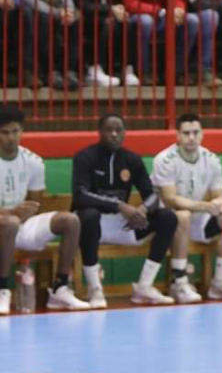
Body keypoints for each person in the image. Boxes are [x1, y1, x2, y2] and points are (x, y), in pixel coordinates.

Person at [73, 113, 179, 307]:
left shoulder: (132, 159)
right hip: (91, 226)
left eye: (119, 130)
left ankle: (144, 286)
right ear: (100, 132)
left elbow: (153, 195)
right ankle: (95, 288)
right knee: (88, 214)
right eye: (109, 130)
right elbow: (80, 195)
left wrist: (143, 210)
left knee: (167, 217)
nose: (114, 134)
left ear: (124, 133)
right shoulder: (85, 157)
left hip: (124, 225)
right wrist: (120, 206)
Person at [0, 105, 89, 314]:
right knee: (11, 223)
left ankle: (59, 288)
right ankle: (3, 289)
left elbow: (35, 204)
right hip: (6, 223)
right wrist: (11, 213)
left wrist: (26, 211)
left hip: (19, 225)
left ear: (22, 131)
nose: (11, 137)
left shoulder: (33, 161)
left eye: (15, 131)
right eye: (5, 132)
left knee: (71, 220)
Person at [152, 113, 222, 303]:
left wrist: (218, 204)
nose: (191, 138)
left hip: (198, 217)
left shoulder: (211, 159)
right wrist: (205, 206)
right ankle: (178, 281)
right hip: (168, 221)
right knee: (183, 215)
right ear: (177, 135)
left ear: (202, 134)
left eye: (196, 132)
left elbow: (218, 196)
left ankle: (220, 282)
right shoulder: (165, 159)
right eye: (186, 133)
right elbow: (170, 199)